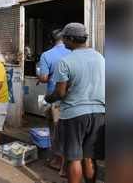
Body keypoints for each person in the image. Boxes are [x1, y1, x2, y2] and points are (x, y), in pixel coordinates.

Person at [45, 23, 105, 183]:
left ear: (71, 38)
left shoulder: (65, 61)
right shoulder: (100, 57)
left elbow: (60, 93)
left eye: (65, 38)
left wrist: (48, 98)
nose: (63, 41)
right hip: (99, 113)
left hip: (74, 115)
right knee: (89, 156)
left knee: (73, 158)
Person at [38, 29, 71, 176]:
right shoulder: (73, 52)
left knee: (56, 132)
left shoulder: (47, 55)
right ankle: (64, 163)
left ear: (51, 40)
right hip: (73, 98)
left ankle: (60, 164)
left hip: (55, 97)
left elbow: (44, 77)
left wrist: (42, 76)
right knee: (69, 133)